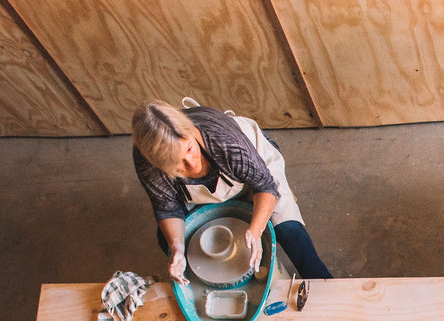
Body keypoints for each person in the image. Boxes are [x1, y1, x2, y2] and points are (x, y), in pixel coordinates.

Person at [132, 100, 333, 283]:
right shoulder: (148, 166)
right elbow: (168, 209)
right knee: (168, 241)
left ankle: (323, 283)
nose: (191, 164)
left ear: (190, 132)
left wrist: (255, 231)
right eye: (177, 165)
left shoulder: (222, 139)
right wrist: (177, 248)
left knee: (288, 229)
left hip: (257, 170)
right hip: (202, 193)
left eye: (190, 150)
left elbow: (265, 186)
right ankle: (227, 283)